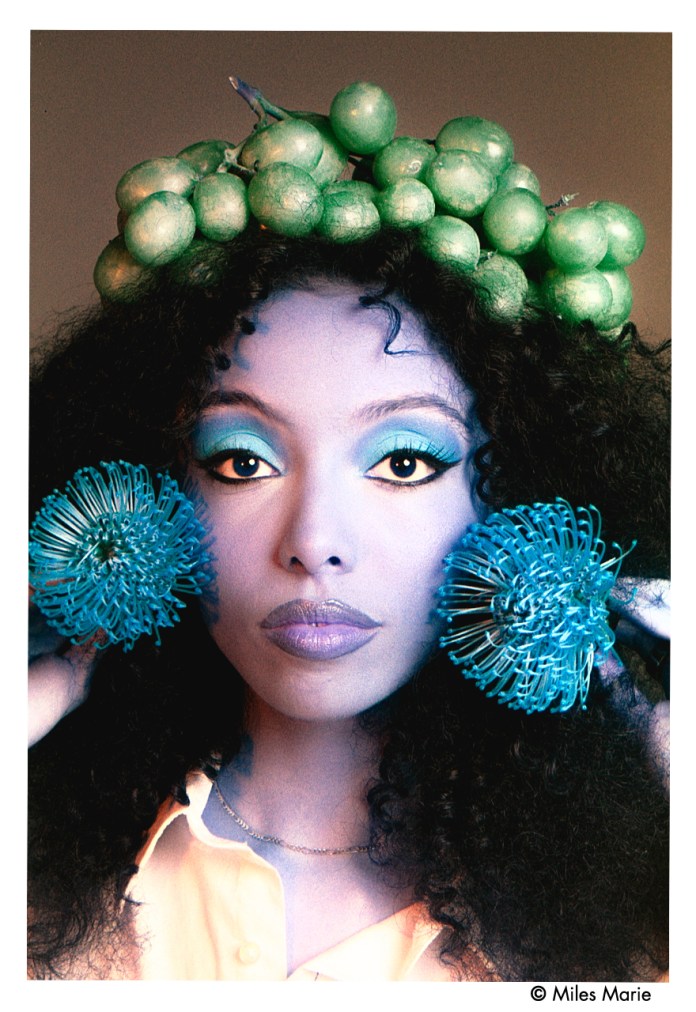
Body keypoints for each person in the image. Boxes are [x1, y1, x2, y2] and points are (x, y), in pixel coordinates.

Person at [28, 88, 670, 981]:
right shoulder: (36, 880)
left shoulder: (646, 932)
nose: (315, 542)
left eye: (406, 462)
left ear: (515, 501)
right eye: (241, 462)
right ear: (151, 493)